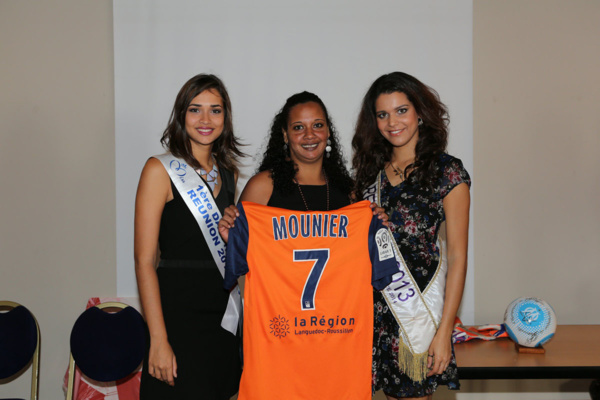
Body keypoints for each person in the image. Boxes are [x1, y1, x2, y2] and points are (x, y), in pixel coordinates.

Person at [219, 91, 395, 400]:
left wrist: (375, 225)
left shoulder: (350, 195)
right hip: (279, 342)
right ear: (285, 135)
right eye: (298, 127)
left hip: (336, 343)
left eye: (318, 125)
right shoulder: (264, 186)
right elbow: (241, 259)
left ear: (328, 132)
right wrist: (230, 230)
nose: (309, 135)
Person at [352, 72, 471, 399]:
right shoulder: (367, 176)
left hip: (416, 318)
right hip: (371, 316)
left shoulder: (447, 172)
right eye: (383, 114)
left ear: (420, 113)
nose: (393, 122)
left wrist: (444, 332)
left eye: (401, 110)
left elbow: (458, 257)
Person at [134, 74, 244, 400]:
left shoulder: (229, 173)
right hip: (177, 318)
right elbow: (144, 261)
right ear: (182, 115)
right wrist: (158, 339)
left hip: (222, 317)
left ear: (226, 117)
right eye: (196, 110)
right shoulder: (159, 170)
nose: (206, 120)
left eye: (216, 110)